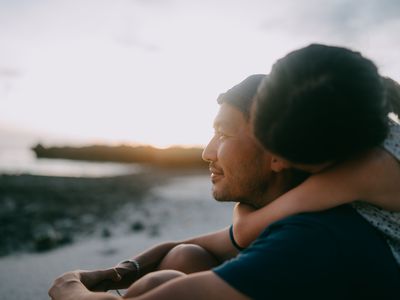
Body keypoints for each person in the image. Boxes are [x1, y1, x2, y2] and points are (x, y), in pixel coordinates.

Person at [49, 46, 400, 299]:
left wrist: (70, 288)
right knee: (184, 257)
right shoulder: (362, 128)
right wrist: (119, 272)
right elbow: (216, 239)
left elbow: (245, 230)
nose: (207, 151)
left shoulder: (327, 221)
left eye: (225, 133)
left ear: (280, 157)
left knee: (160, 284)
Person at [231, 47, 400, 268]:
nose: (279, 164)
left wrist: (241, 206)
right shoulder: (368, 124)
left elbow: (245, 232)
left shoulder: (365, 170)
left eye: (290, 159)